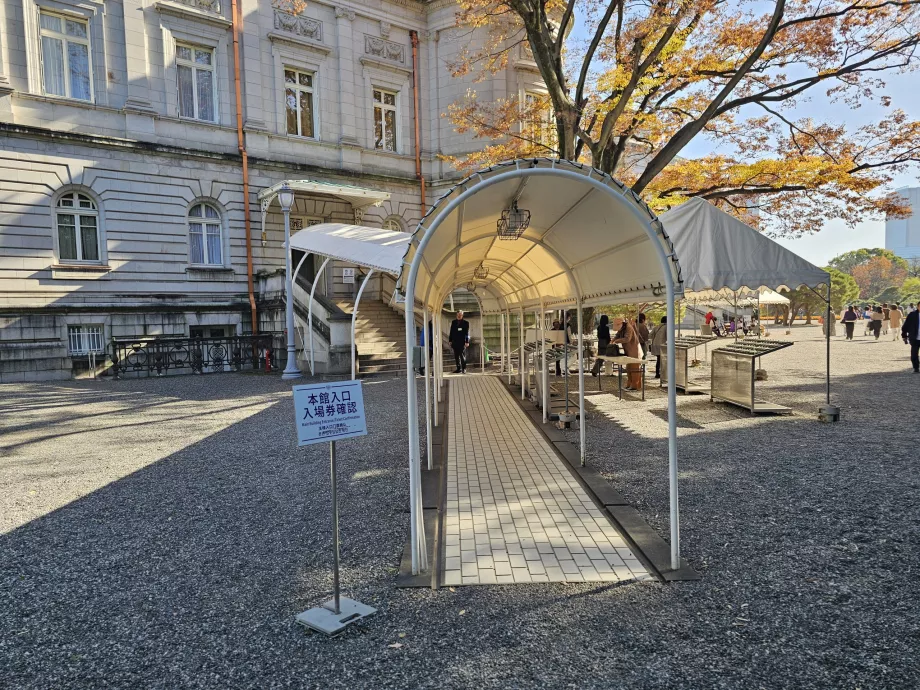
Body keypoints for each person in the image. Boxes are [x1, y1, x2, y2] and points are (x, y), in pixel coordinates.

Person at [613, 318, 642, 390]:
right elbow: (617, 335)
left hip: (634, 351)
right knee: (629, 368)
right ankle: (630, 384)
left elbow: (627, 339)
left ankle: (635, 386)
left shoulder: (628, 328)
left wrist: (616, 341)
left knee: (634, 368)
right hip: (628, 351)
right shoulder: (622, 328)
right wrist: (612, 340)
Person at [901, 306, 920, 373]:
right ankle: (916, 367)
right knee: (914, 354)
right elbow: (906, 325)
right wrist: (904, 335)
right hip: (914, 337)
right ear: (918, 307)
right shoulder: (912, 315)